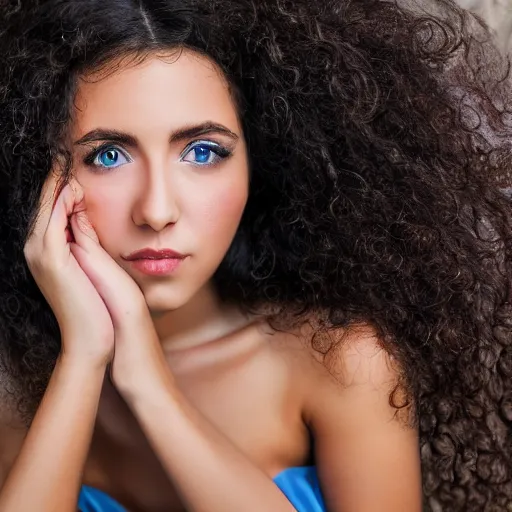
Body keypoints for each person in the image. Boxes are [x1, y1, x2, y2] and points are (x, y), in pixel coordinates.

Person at [0, 0, 510, 510]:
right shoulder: (20, 383)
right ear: (40, 176)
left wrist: (150, 388)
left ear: (259, 161)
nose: (157, 211)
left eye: (202, 151)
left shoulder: (338, 360)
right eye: (108, 155)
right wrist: (84, 359)